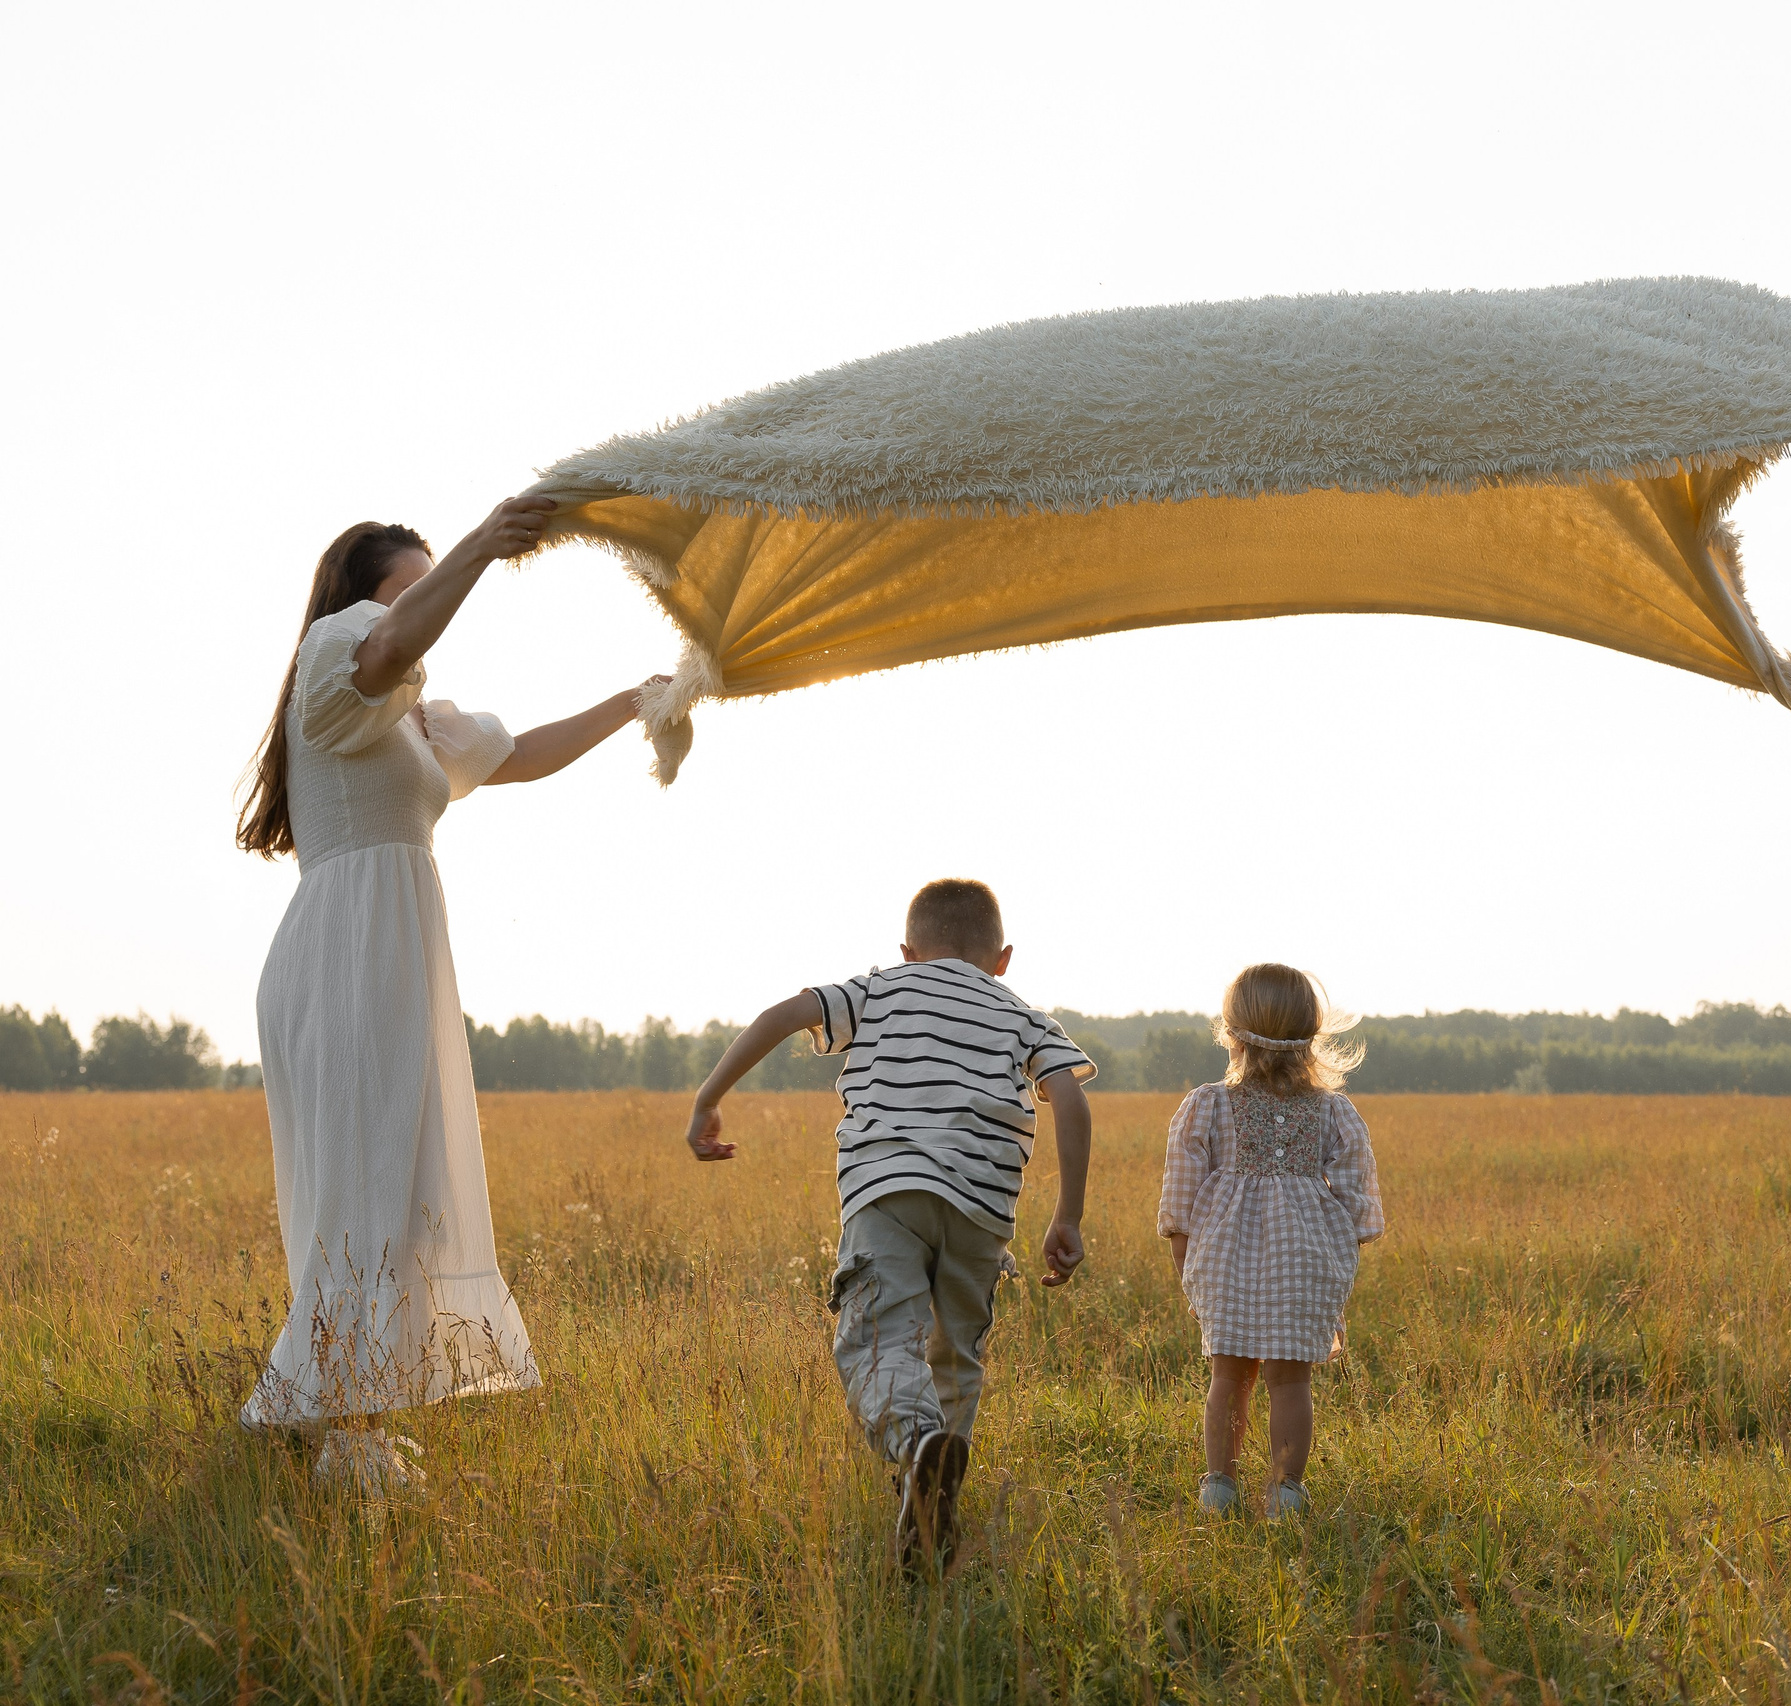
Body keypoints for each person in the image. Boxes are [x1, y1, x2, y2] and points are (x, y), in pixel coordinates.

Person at [236, 495, 667, 1490]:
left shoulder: (417, 721)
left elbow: (520, 756)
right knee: (362, 1178)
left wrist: (635, 699)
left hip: (393, 952)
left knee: (400, 1175)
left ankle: (356, 1417)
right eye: (417, 578)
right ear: (368, 590)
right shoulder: (340, 653)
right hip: (346, 950)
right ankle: (346, 1434)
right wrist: (480, 544)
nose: (436, 595)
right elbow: (390, 642)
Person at [683, 879, 1094, 1572]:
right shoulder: (1025, 1015)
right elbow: (1071, 1102)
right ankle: (934, 1503)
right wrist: (1069, 1214)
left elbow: (784, 1014)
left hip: (887, 1190)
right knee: (956, 1355)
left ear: (907, 951)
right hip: (982, 1209)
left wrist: (707, 1098)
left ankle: (914, 1447)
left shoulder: (879, 989)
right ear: (1004, 959)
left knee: (875, 1339)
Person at [1157, 963, 1384, 1519]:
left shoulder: (1208, 1104)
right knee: (1290, 1379)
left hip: (1224, 1255)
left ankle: (1219, 1487)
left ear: (1231, 1032)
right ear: (1313, 1033)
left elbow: (1181, 1194)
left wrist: (1185, 1256)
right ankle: (1286, 1491)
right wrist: (1344, 1250)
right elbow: (1359, 1197)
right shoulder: (1332, 1109)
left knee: (1228, 1374)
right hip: (1305, 1257)